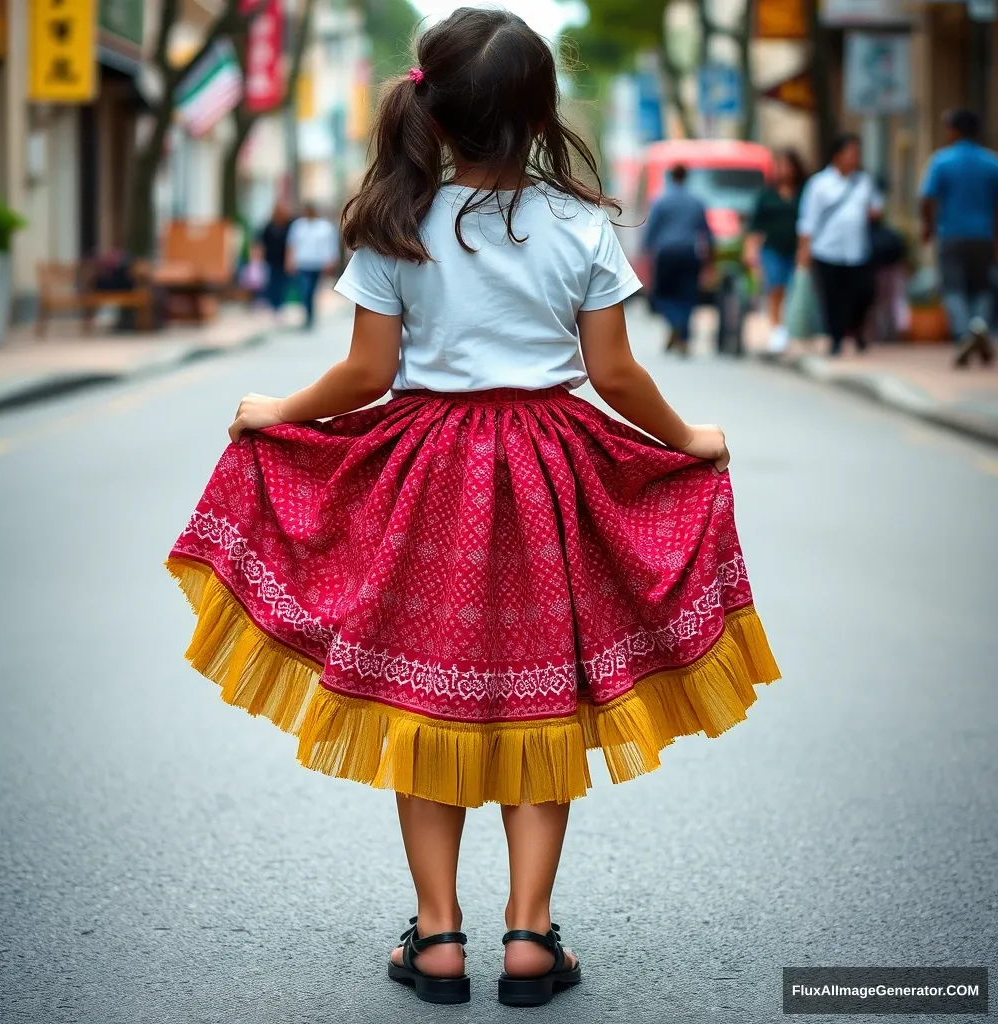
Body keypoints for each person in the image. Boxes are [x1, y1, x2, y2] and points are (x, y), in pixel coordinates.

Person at [166, 8, 779, 1010]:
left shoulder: (393, 223)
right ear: (540, 116)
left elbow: (366, 375)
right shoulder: (580, 224)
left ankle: (440, 937)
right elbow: (614, 374)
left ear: (437, 115)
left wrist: (276, 410)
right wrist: (686, 439)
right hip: (549, 475)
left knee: (428, 700)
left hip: (427, 479)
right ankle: (531, 936)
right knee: (547, 699)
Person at [920, 108, 998, 367]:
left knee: (953, 287)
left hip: (951, 235)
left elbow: (927, 198)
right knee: (982, 287)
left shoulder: (942, 161)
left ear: (955, 130)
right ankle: (981, 325)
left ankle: (965, 333)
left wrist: (928, 228)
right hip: (984, 236)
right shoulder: (991, 162)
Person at [796, 133, 883, 356]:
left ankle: (857, 331)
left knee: (863, 293)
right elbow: (808, 220)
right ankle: (835, 339)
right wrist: (804, 251)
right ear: (837, 155)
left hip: (858, 250)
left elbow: (876, 208)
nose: (855, 157)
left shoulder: (864, 181)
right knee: (832, 298)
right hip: (827, 249)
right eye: (850, 152)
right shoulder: (819, 184)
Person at [643, 163, 714, 354]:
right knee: (687, 296)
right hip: (689, 253)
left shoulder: (661, 201)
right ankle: (682, 334)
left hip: (666, 254)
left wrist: (646, 256)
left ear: (670, 177)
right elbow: (707, 234)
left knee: (662, 295)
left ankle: (675, 324)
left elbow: (650, 233)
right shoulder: (696, 202)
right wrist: (710, 261)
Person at [746, 149, 807, 352]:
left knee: (792, 288)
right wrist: (750, 250)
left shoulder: (803, 193)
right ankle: (777, 329)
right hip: (772, 248)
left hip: (796, 249)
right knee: (775, 287)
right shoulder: (767, 195)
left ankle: (789, 327)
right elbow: (755, 225)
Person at [287, 202, 339, 328]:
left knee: (312, 290)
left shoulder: (324, 227)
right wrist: (289, 261)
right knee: (305, 290)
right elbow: (291, 245)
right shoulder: (298, 226)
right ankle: (307, 315)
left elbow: (331, 245)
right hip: (302, 262)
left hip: (317, 263)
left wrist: (331, 261)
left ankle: (311, 314)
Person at [260, 201, 293, 318]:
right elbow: (262, 242)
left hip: (284, 260)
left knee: (283, 283)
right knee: (272, 283)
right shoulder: (269, 226)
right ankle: (274, 305)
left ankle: (280, 305)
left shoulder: (289, 225)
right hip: (271, 259)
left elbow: (293, 243)